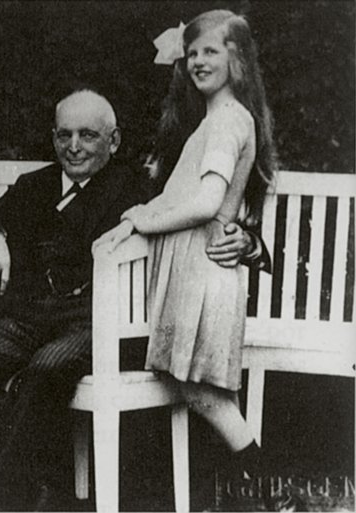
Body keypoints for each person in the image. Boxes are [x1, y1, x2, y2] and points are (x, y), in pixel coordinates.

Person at [0, 86, 266, 511]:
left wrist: (249, 243)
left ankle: (1, 499)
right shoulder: (33, 186)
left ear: (114, 141)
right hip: (28, 319)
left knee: (47, 369)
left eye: (88, 136)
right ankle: (39, 480)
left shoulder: (140, 189)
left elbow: (207, 216)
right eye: (64, 135)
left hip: (96, 322)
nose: (73, 147)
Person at [95, 9, 296, 511]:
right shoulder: (211, 120)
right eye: (192, 53)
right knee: (194, 387)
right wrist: (136, 214)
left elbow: (208, 202)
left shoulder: (228, 119)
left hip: (205, 268)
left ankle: (270, 490)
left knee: (201, 389)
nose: (198, 61)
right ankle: (262, 493)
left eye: (211, 50)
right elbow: (175, 192)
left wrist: (142, 222)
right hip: (192, 269)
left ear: (238, 59)